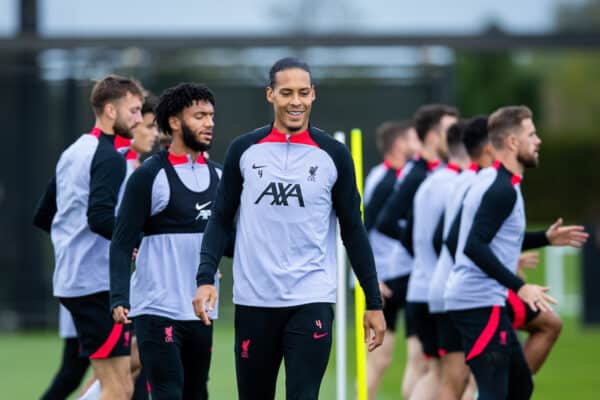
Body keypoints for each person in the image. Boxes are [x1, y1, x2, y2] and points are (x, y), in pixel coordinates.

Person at [192, 57, 386, 400]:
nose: (295, 101)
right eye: (286, 93)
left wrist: (373, 301)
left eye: (303, 92)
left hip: (310, 298)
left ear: (313, 95)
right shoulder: (244, 150)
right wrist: (205, 277)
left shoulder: (334, 155)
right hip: (254, 300)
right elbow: (221, 218)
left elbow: (353, 231)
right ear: (270, 95)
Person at [445, 106, 588, 400]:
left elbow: (485, 237)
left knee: (519, 386)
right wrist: (520, 286)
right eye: (532, 134)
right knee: (495, 392)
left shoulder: (491, 180)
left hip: (483, 301)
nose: (538, 141)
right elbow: (473, 245)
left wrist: (545, 238)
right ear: (512, 142)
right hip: (477, 303)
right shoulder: (501, 190)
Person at [34, 75, 144, 400]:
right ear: (110, 110)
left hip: (77, 279)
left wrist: (70, 248)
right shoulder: (109, 157)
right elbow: (99, 218)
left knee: (122, 379)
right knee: (118, 388)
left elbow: (43, 215)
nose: (139, 119)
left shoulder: (73, 151)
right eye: (134, 110)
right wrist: (138, 243)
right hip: (96, 286)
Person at [110, 83, 222, 400]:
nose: (209, 123)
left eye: (211, 116)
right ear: (174, 122)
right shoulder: (148, 176)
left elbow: (229, 240)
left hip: (202, 310)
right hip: (157, 307)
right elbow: (121, 242)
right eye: (199, 115)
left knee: (196, 392)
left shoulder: (220, 177)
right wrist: (119, 297)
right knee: (167, 392)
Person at [78, 94, 159, 400]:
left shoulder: (133, 165)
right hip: (115, 284)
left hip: (127, 282)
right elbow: (101, 219)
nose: (150, 131)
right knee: (120, 377)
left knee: (124, 372)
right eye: (145, 123)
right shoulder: (119, 165)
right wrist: (137, 243)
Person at [375, 103, 458, 398]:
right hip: (411, 277)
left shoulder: (439, 173)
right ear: (434, 136)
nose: (457, 135)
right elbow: (382, 221)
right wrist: (424, 250)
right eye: (451, 130)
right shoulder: (417, 175)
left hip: (418, 278)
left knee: (427, 365)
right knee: (425, 365)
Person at [407, 120, 470, 399]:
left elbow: (409, 233)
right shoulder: (457, 183)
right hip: (444, 292)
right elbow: (443, 239)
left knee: (435, 372)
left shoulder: (429, 182)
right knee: (462, 377)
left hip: (419, 288)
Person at [362, 121, 420, 400]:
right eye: (412, 138)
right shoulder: (386, 180)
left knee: (412, 358)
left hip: (400, 274)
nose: (417, 142)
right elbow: (363, 228)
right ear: (399, 144)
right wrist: (371, 280)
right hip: (385, 280)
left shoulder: (399, 175)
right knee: (379, 360)